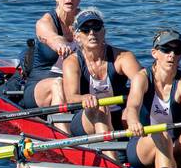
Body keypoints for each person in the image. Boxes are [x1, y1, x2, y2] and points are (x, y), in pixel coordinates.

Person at [121, 29, 181, 168]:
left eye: (177, 50)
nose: (171, 54)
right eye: (166, 49)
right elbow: (132, 106)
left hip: (174, 145)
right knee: (161, 135)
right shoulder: (142, 78)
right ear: (154, 53)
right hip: (142, 145)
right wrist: (134, 122)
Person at [60, 8, 143, 140]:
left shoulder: (123, 57)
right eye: (85, 30)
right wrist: (84, 98)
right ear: (76, 36)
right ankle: (112, 156)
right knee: (101, 109)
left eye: (96, 28)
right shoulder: (72, 62)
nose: (92, 33)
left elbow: (144, 84)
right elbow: (71, 97)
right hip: (86, 118)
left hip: (120, 115)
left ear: (104, 32)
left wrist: (131, 107)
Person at [19, 0, 83, 108]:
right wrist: (62, 45)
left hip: (75, 86)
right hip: (41, 85)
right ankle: (60, 127)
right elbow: (53, 38)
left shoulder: (88, 23)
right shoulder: (45, 22)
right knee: (58, 83)